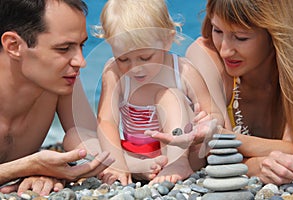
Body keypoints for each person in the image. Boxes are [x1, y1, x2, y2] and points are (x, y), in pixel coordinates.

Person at [66, 0, 224, 185]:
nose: (135, 69)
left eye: (145, 57)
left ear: (167, 40)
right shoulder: (114, 72)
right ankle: (135, 167)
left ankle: (175, 164)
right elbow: (107, 121)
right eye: (124, 58)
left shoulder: (183, 71)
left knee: (168, 95)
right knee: (74, 136)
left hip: (181, 150)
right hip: (134, 152)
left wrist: (206, 123)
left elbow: (215, 115)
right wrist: (118, 162)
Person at [148, 0, 293, 185]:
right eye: (217, 31)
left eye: (241, 38)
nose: (225, 50)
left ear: (275, 35)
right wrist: (256, 166)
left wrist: (222, 136)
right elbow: (216, 153)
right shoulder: (206, 55)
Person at [0, 0, 114, 196]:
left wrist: (59, 169)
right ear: (14, 45)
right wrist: (30, 167)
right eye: (63, 48)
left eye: (82, 45)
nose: (81, 61)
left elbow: (88, 142)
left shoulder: (60, 81)